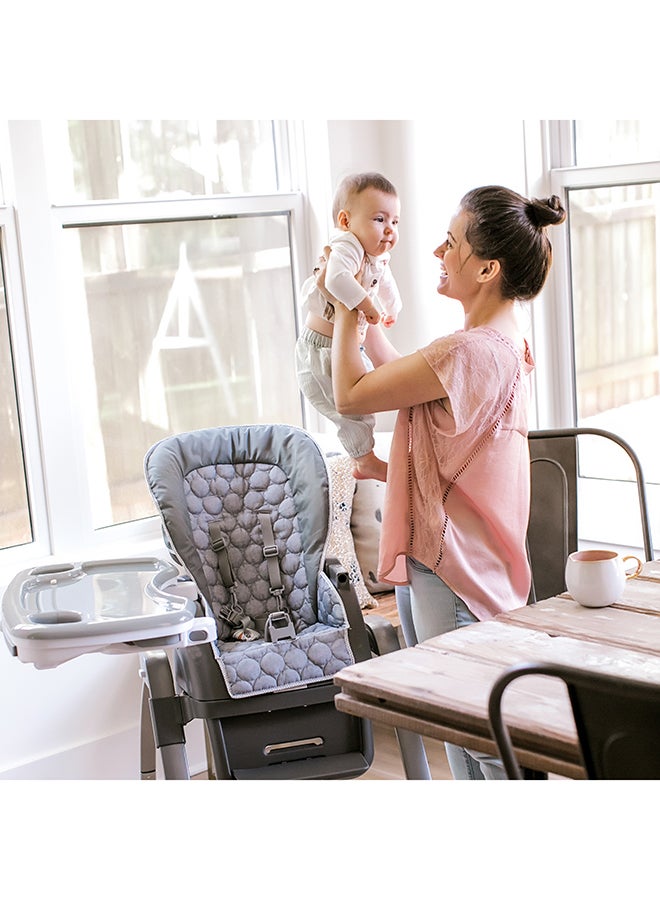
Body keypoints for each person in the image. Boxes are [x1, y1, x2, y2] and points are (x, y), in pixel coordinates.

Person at [324, 184, 567, 779]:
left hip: (454, 570)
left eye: (451, 243)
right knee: (455, 728)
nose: (436, 250)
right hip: (454, 563)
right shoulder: (500, 344)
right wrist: (367, 305)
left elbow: (349, 393)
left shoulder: (468, 352)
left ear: (487, 267)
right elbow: (409, 385)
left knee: (480, 736)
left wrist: (346, 307)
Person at [295, 172, 402, 481]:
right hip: (322, 351)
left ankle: (365, 457)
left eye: (395, 222)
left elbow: (385, 281)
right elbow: (335, 280)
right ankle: (364, 460)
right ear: (345, 220)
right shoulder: (347, 246)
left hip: (345, 347)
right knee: (354, 414)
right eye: (380, 219)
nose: (389, 230)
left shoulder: (375, 255)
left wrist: (392, 306)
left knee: (367, 400)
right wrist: (367, 306)